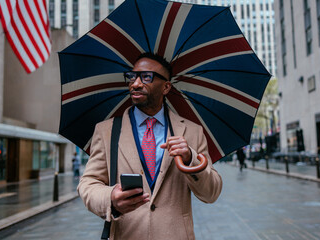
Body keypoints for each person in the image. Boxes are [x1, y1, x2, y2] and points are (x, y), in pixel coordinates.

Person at [77, 53, 222, 240]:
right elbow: (88, 185)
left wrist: (190, 158)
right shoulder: (106, 130)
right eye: (132, 77)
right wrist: (111, 197)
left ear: (166, 87)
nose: (135, 84)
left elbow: (211, 193)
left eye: (146, 77)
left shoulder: (192, 132)